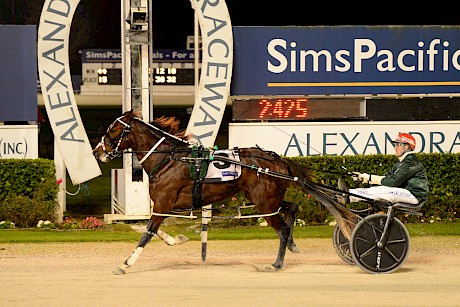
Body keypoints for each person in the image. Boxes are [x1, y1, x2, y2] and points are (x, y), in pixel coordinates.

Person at [338, 133, 429, 205]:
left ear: (406, 147)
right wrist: (364, 177)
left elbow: (392, 182)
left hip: (415, 195)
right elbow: (386, 177)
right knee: (379, 189)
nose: (395, 148)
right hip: (408, 192)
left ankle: (349, 196)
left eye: (397, 145)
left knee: (384, 191)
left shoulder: (411, 162)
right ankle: (348, 193)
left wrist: (369, 178)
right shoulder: (401, 163)